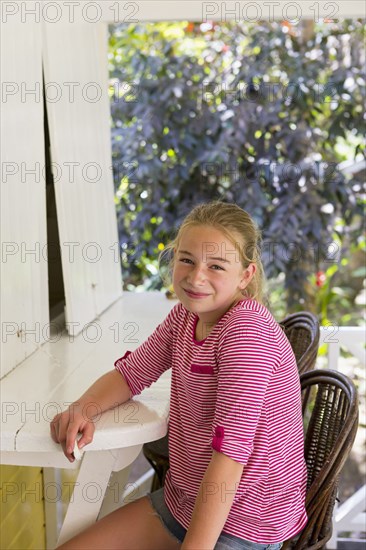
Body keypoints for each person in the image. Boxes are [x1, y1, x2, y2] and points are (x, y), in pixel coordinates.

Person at [51, 200, 308, 550]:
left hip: (244, 521)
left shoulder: (246, 333)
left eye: (216, 266)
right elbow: (131, 374)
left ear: (245, 275)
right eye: (186, 259)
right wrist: (84, 408)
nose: (196, 276)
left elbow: (230, 457)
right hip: (182, 502)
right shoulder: (184, 317)